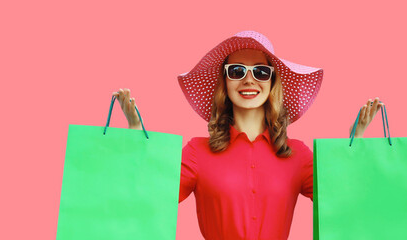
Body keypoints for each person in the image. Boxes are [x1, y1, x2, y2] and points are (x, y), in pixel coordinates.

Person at [111, 31, 383, 240]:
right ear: (225, 82)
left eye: (261, 72)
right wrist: (135, 137)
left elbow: (342, 202)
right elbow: (151, 196)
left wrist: (354, 144)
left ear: (272, 83)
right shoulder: (196, 151)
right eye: (237, 71)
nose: (249, 80)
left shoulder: (297, 154)